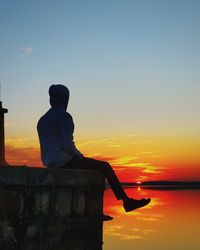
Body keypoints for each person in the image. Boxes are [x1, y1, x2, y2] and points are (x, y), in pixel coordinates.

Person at [37, 84, 151, 216]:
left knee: (96, 166)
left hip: (50, 162)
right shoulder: (64, 116)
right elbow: (67, 144)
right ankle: (126, 202)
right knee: (105, 167)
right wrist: (80, 156)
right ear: (64, 99)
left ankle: (124, 202)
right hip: (64, 161)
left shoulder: (43, 120)